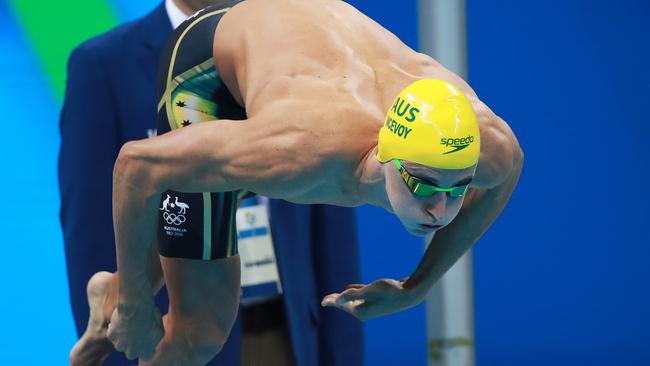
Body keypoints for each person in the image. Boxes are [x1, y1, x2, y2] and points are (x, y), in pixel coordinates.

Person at [74, 0, 524, 364]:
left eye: (456, 188)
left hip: (305, 52)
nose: (440, 211)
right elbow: (136, 165)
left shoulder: (489, 145)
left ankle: (108, 293)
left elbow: (503, 178)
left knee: (200, 221)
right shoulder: (302, 151)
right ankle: (119, 294)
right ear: (385, 155)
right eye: (424, 185)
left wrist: (417, 287)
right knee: (201, 332)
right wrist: (135, 303)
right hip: (210, 60)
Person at [60, 0, 361, 365]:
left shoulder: (296, 50)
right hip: (175, 338)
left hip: (289, 332)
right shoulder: (105, 65)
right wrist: (117, 347)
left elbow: (329, 220)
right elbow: (91, 232)